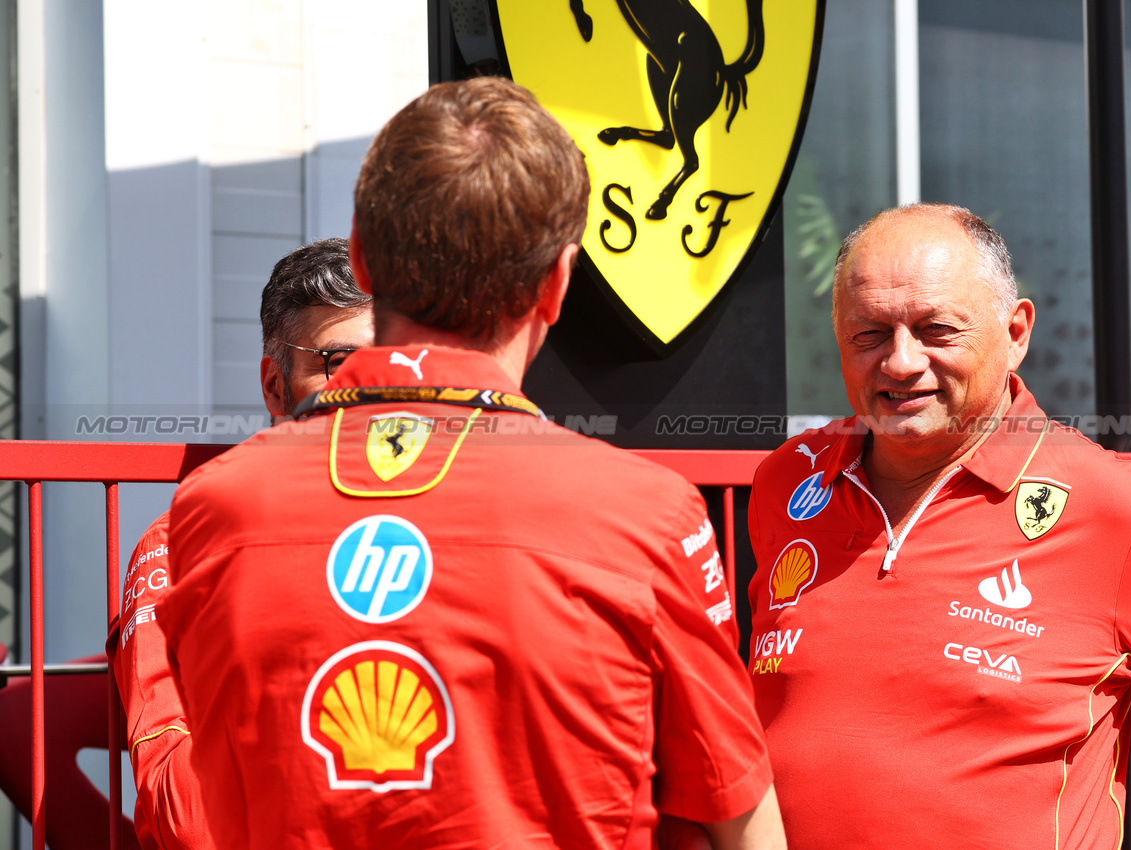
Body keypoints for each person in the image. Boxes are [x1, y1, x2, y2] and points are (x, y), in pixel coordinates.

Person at [158, 77, 783, 850]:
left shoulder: (214, 506)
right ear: (557, 284)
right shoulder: (645, 513)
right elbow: (734, 815)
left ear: (361, 255)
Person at [747, 203, 1131, 849]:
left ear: (1015, 330)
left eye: (936, 329)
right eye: (869, 333)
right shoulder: (784, 483)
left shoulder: (1113, 509)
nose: (900, 362)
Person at [107, 238, 373, 849]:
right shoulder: (181, 544)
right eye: (340, 363)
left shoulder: (458, 531)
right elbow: (186, 816)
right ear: (275, 387)